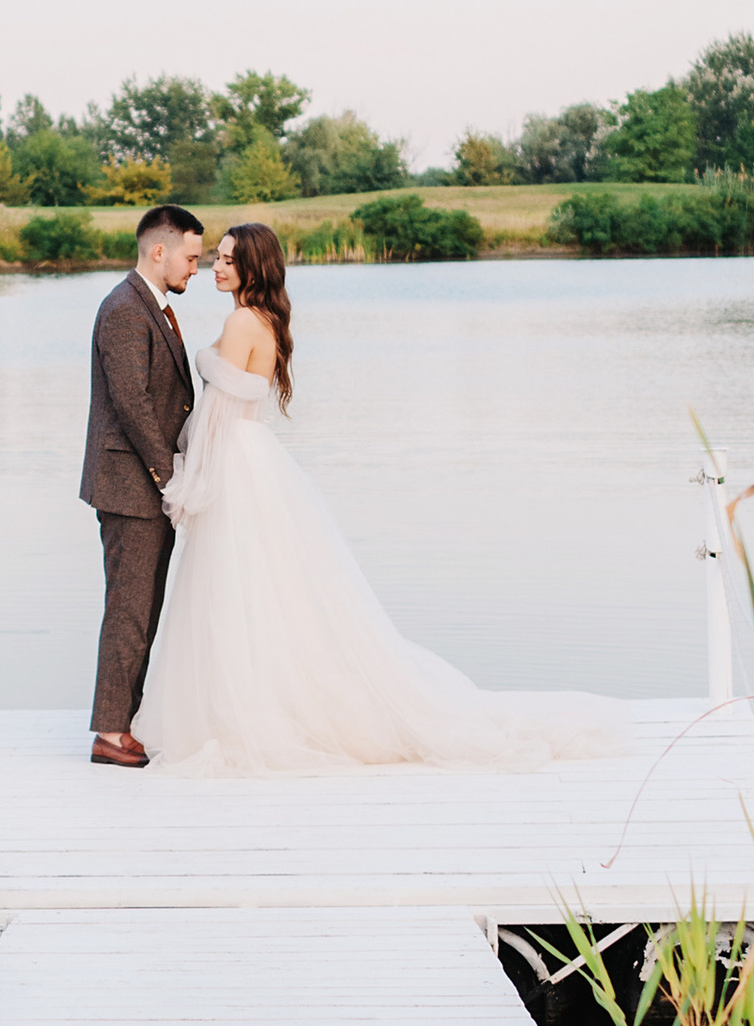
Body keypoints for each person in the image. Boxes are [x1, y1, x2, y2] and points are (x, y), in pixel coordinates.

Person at [131, 220, 631, 778]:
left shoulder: (242, 321)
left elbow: (218, 414)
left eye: (226, 259)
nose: (217, 267)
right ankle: (263, 699)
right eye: (215, 258)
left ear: (252, 266)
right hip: (255, 458)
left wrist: (187, 480)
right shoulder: (267, 320)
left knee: (234, 590)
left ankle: (243, 710)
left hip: (234, 461)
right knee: (261, 591)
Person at [80, 201, 207, 768]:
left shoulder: (152, 304)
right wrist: (170, 477)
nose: (195, 270)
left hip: (144, 486)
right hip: (132, 488)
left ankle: (123, 722)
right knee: (130, 609)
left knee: (143, 607)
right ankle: (109, 732)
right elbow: (132, 405)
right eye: (191, 257)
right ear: (160, 251)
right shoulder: (125, 310)